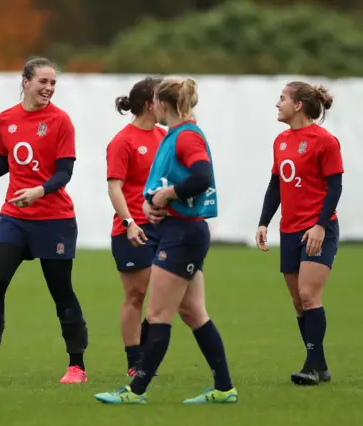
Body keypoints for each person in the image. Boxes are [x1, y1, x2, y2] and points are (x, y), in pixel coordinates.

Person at [94, 77, 238, 405]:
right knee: (193, 313)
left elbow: (201, 177)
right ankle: (225, 388)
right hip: (179, 230)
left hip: (182, 236)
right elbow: (164, 184)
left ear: (160, 104)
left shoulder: (185, 135)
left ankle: (135, 391)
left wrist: (168, 195)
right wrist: (153, 203)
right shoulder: (174, 135)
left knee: (158, 313)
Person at [0, 57, 88, 384]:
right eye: (43, 81)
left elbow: (65, 172)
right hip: (15, 216)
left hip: (54, 218)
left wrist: (39, 191)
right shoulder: (7, 118)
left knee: (61, 291)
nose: (49, 88)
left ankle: (76, 367)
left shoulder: (61, 121)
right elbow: (6, 160)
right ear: (25, 81)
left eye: (53, 83)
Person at [256, 81, 342, 386]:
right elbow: (276, 185)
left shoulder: (325, 141)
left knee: (309, 295)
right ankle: (319, 366)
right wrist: (264, 221)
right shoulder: (281, 141)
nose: (276, 104)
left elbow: (334, 187)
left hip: (318, 229)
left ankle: (311, 366)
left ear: (298, 105)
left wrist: (320, 224)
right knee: (298, 303)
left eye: (282, 98)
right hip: (289, 229)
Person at [106, 77, 165, 376]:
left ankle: (145, 355)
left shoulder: (166, 136)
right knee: (137, 295)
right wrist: (129, 222)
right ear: (148, 104)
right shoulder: (122, 141)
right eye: (161, 97)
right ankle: (135, 362)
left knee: (163, 296)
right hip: (131, 229)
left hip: (164, 228)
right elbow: (114, 188)